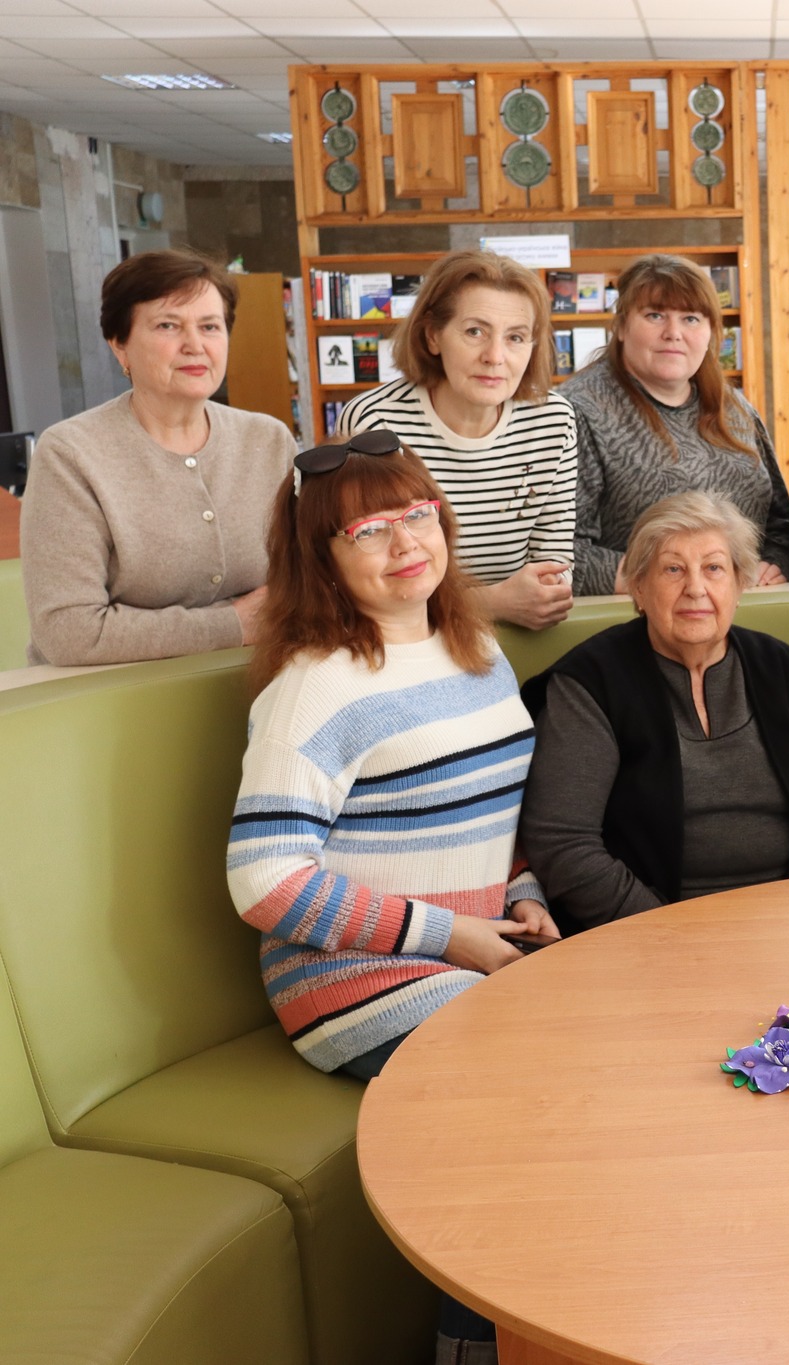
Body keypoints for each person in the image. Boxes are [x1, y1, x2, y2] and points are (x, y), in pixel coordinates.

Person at [226, 433, 558, 1359]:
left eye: (416, 513)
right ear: (320, 560)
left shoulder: (476, 648)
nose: (404, 540)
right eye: (366, 529)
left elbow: (485, 809)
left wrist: (522, 887)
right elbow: (264, 878)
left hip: (465, 950)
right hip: (347, 981)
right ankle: (476, 1347)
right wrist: (448, 934)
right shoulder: (316, 686)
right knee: (536, 1088)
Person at [519, 492, 789, 931]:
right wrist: (670, 933)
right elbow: (564, 845)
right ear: (639, 586)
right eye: (673, 569)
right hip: (647, 933)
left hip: (787, 923)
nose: (695, 588)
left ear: (740, 584)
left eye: (714, 568)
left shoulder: (780, 670)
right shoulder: (589, 682)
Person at [20, 247, 293, 665]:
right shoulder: (70, 455)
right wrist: (235, 623)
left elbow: (306, 580)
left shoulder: (269, 440)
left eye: (210, 326)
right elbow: (68, 632)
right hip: (109, 705)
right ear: (119, 344)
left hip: (259, 688)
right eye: (168, 325)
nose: (195, 345)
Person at [337, 248, 578, 630]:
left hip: (526, 634)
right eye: (474, 332)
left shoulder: (554, 420)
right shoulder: (375, 421)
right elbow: (368, 581)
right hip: (407, 638)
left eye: (515, 337)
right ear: (433, 335)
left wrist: (540, 596)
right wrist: (491, 603)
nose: (495, 356)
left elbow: (554, 569)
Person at [557, 254, 789, 595]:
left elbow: (783, 523)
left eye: (690, 318)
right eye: (655, 315)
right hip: (636, 619)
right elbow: (559, 554)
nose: (673, 333)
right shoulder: (577, 411)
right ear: (623, 326)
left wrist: (775, 563)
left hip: (747, 610)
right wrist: (680, 584)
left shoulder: (735, 408)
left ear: (711, 332)